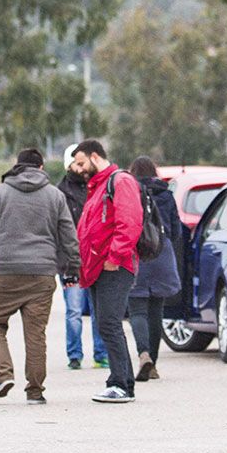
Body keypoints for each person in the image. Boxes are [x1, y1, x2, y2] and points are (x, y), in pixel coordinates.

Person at [0, 148, 80, 405]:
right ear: (41, 168)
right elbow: (69, 235)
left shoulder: (1, 193)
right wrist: (73, 268)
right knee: (36, 333)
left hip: (6, 271)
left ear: (17, 166)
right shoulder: (55, 195)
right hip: (42, 273)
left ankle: (4, 374)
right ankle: (35, 391)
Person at [70, 140, 143, 404]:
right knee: (105, 324)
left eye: (80, 163)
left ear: (94, 156)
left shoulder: (119, 181)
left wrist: (115, 256)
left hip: (115, 266)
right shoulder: (98, 186)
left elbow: (129, 221)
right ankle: (120, 381)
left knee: (110, 324)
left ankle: (121, 384)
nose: (77, 169)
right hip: (98, 268)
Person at [126, 156, 183, 383]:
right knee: (156, 311)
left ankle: (143, 355)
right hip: (161, 253)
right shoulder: (166, 194)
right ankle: (154, 364)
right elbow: (177, 230)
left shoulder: (129, 192)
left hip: (136, 253)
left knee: (137, 309)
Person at [57, 145, 107, 370]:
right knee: (74, 310)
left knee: (98, 309)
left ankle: (101, 353)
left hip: (95, 257)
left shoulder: (98, 186)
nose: (81, 168)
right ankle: (74, 354)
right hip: (71, 260)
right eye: (77, 164)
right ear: (69, 165)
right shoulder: (61, 193)